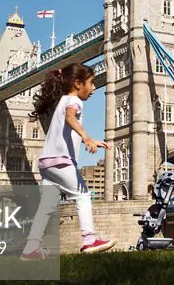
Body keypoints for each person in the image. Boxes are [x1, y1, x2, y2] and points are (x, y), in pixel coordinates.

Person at [22, 63, 116, 258]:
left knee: (47, 206)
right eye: (91, 83)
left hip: (46, 163)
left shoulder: (62, 101)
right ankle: (90, 239)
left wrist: (91, 141)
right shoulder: (74, 102)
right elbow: (70, 117)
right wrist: (85, 136)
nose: (94, 88)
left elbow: (63, 133)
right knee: (82, 196)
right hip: (61, 162)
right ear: (77, 83)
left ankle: (31, 247)